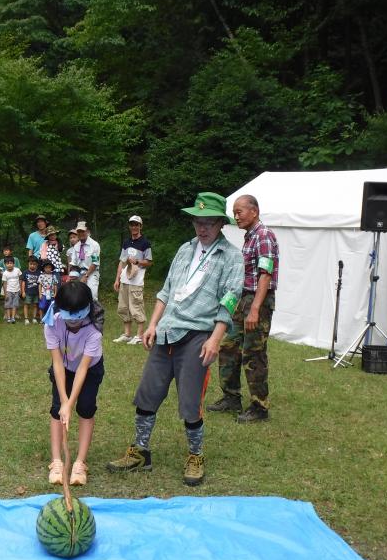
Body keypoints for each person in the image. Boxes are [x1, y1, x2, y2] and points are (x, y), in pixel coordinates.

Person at [107, 192, 243, 487]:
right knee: (148, 393)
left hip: (198, 335)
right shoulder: (185, 249)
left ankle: (195, 455)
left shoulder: (231, 256)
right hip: (166, 332)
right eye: (198, 221)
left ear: (221, 223)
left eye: (209, 222)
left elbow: (229, 302)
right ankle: (141, 451)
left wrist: (215, 339)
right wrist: (152, 324)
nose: (202, 228)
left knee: (191, 401)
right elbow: (166, 291)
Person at [208, 194, 279, 422]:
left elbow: (265, 275)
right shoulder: (249, 237)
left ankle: (259, 407)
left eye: (240, 212)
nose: (236, 216)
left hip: (257, 300)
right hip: (241, 299)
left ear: (254, 211)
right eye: (234, 212)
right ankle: (231, 397)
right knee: (228, 347)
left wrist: (255, 308)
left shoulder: (264, 236)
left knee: (254, 353)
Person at [43, 281, 104, 486]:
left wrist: (71, 404)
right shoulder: (52, 323)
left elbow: (83, 369)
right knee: (57, 409)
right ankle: (57, 461)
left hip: (89, 369)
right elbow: (57, 362)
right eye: (70, 320)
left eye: (77, 320)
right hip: (64, 368)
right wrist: (64, 401)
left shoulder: (94, 331)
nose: (73, 324)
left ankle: (79, 462)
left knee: (85, 409)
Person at [113, 215, 153, 345]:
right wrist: (117, 279)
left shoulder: (145, 243)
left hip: (136, 281)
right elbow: (122, 262)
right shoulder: (126, 242)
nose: (134, 227)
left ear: (141, 226)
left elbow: (149, 262)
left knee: (136, 307)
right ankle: (127, 334)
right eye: (132, 224)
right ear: (129, 226)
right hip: (125, 280)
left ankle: (139, 335)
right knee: (123, 307)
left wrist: (137, 261)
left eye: (136, 225)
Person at [74, 221, 101, 300]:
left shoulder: (95, 245)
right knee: (79, 298)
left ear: (88, 232)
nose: (80, 233)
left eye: (82, 231)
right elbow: (74, 263)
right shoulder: (76, 246)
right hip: (79, 274)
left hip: (91, 274)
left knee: (92, 296)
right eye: (79, 231)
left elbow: (95, 263)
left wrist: (86, 276)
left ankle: (94, 312)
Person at [1, 256, 22, 323]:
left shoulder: (17, 270)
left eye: (11, 263)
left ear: (13, 263)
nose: (9, 265)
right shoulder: (5, 273)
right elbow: (4, 284)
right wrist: (5, 293)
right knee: (8, 305)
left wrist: (20, 289)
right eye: (7, 263)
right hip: (9, 291)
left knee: (14, 305)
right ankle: (8, 318)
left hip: (17, 290)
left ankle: (13, 317)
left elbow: (20, 279)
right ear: (5, 264)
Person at [21, 256, 41, 324]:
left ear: (37, 265)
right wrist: (23, 291)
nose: (32, 265)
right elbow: (23, 283)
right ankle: (26, 319)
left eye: (34, 264)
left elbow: (40, 284)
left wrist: (40, 293)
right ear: (28, 264)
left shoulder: (39, 273)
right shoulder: (25, 272)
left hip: (36, 292)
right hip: (27, 292)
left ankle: (34, 318)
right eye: (31, 264)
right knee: (26, 305)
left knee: (35, 305)